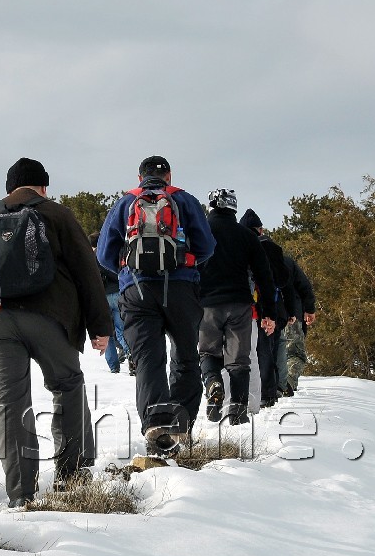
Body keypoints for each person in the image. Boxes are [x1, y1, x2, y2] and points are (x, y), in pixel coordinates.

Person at [0, 158, 112, 506]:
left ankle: (21, 494)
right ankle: (73, 478)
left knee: (9, 404)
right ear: (43, 187)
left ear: (9, 188)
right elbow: (87, 270)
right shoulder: (57, 214)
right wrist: (100, 326)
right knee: (67, 386)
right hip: (51, 317)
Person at [96, 156, 215, 456]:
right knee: (186, 356)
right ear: (169, 176)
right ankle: (180, 426)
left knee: (149, 359)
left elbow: (103, 254)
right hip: (181, 288)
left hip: (137, 291)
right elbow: (207, 246)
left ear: (140, 178)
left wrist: (126, 272)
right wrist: (185, 265)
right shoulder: (184, 200)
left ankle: (157, 424)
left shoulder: (126, 203)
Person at [197, 190, 276, 425]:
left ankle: (213, 384)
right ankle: (238, 412)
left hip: (207, 304)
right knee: (240, 360)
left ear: (211, 206)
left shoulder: (200, 231)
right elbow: (264, 276)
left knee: (208, 352)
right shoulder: (247, 235)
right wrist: (269, 312)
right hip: (240, 304)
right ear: (233, 208)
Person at [239, 208, 289, 407]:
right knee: (267, 348)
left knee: (247, 350)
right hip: (270, 303)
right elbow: (283, 279)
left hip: (245, 303)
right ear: (259, 229)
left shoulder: (240, 244)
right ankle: (268, 392)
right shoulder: (272, 247)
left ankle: (249, 394)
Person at [91, 232, 131, 374]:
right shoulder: (110, 251)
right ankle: (130, 353)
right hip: (118, 292)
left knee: (105, 332)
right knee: (121, 329)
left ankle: (114, 366)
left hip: (102, 297)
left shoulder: (93, 257)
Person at [281, 255, 317, 395]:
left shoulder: (251, 257)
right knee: (295, 354)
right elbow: (304, 285)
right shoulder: (286, 261)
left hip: (264, 316)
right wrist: (309, 309)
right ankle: (288, 382)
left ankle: (273, 384)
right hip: (293, 314)